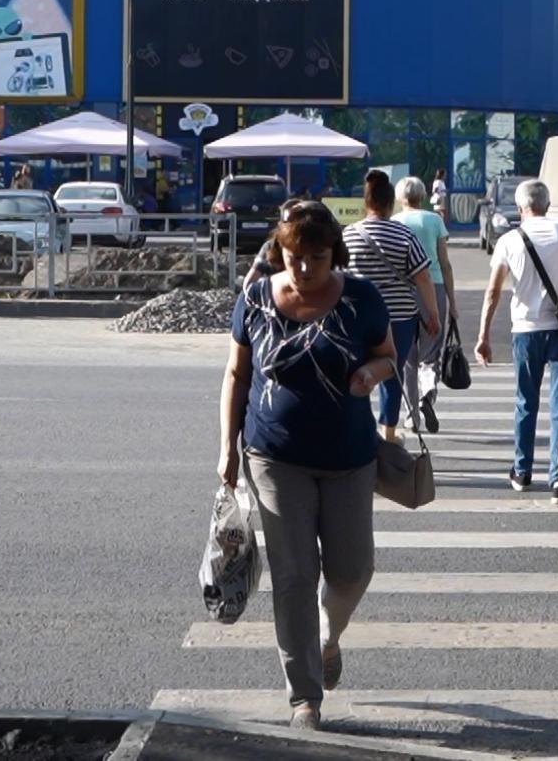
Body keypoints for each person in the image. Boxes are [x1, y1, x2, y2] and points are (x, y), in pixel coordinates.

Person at [218, 201, 396, 731]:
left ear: (333, 255)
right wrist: (227, 447)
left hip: (348, 459)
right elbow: (236, 374)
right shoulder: (255, 298)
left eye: (316, 258)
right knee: (294, 576)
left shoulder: (361, 297)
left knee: (352, 569)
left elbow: (389, 355)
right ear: (281, 251)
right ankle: (305, 699)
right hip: (274, 457)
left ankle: (328, 637)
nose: (303, 268)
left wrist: (371, 373)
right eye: (295, 256)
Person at [476, 179, 558, 505]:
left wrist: (483, 335)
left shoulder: (510, 240)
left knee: (526, 402)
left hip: (525, 330)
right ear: (548, 204)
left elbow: (493, 291)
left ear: (522, 206)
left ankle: (522, 471)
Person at [342, 170, 440, 441]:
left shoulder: (349, 235)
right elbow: (423, 276)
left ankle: (357, 431)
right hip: (399, 318)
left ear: (366, 202)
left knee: (356, 373)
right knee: (392, 374)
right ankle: (388, 434)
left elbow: (339, 278)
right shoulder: (403, 234)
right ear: (389, 204)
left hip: (358, 318)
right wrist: (432, 313)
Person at [393, 176, 455, 434]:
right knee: (431, 354)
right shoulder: (434, 220)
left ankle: (411, 416)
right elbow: (444, 261)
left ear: (400, 197)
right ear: (422, 196)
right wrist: (452, 300)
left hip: (404, 291)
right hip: (436, 287)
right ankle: (427, 397)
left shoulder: (395, 222)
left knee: (408, 356)